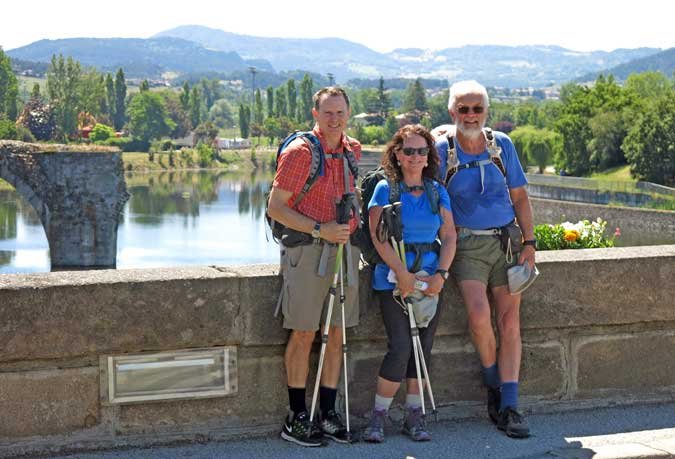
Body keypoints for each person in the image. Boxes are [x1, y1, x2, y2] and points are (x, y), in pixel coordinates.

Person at [434, 80, 535, 438]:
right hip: (466, 246)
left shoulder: (501, 145)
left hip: (506, 242)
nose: (471, 115)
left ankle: (509, 403)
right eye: (464, 109)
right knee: (479, 316)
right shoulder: (440, 149)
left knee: (510, 322)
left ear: (487, 111)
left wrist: (530, 242)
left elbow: (520, 197)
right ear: (451, 113)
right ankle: (493, 383)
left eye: (477, 108)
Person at [267, 87, 361, 447]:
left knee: (337, 332)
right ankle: (296, 416)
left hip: (343, 251)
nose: (334, 119)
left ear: (348, 114)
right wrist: (321, 229)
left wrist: (347, 228)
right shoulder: (300, 153)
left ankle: (328, 413)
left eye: (340, 112)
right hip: (307, 251)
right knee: (304, 332)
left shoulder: (352, 150)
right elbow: (277, 208)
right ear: (315, 114)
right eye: (328, 113)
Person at [362, 124, 456, 443]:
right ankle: (378, 416)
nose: (415, 157)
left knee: (422, 349)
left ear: (429, 155)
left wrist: (440, 275)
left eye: (421, 151)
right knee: (401, 346)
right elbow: (378, 237)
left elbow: (449, 236)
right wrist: (401, 272)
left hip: (430, 278)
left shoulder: (436, 190)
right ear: (397, 155)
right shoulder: (385, 190)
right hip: (392, 279)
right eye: (409, 151)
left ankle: (414, 416)